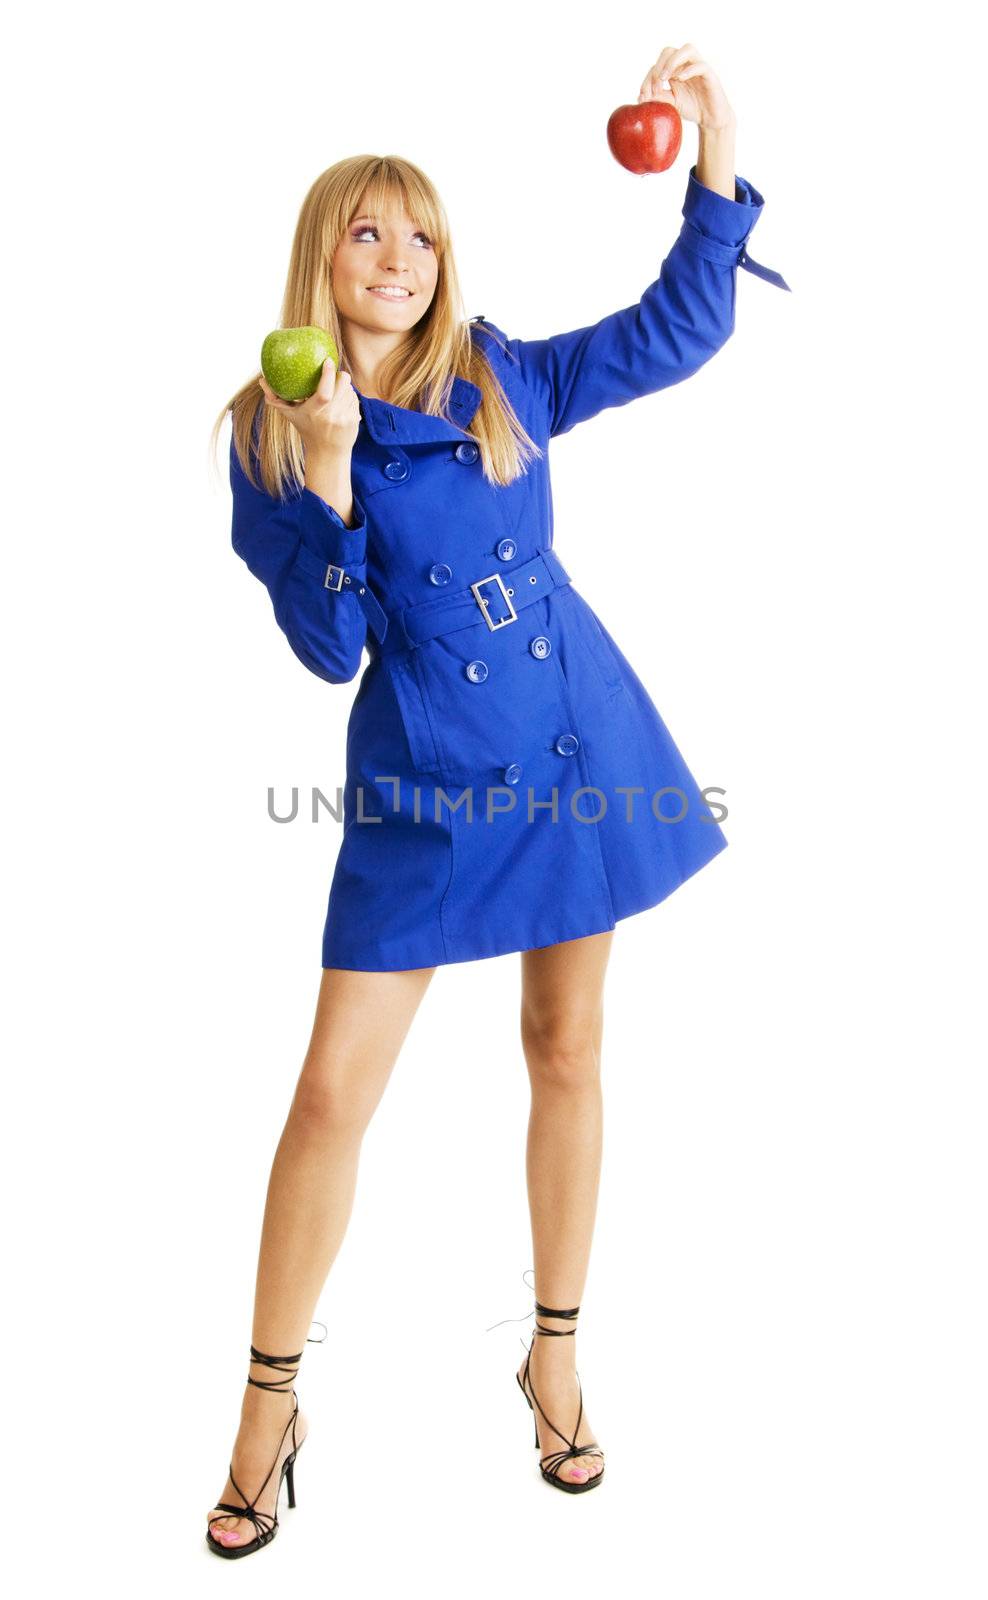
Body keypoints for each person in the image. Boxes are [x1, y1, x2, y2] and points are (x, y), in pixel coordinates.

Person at [205, 41, 789, 1553]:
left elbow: (674, 332)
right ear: (322, 260)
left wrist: (713, 155)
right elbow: (327, 651)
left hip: (576, 748)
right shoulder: (272, 430)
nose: (400, 257)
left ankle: (557, 1356)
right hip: (419, 785)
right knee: (332, 1091)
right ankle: (269, 1405)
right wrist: (331, 473)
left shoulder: (501, 373)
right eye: (367, 231)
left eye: (421, 233)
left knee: (568, 1048)